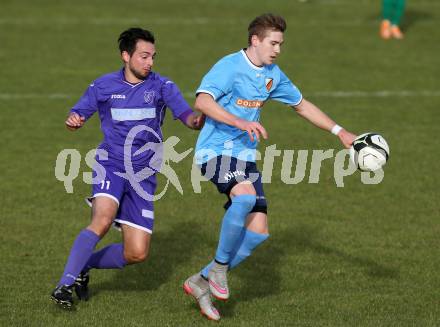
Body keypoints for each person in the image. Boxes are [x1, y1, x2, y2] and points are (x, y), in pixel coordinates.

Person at [183, 13, 357, 321]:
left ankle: (201, 280)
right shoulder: (229, 66)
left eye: (280, 44)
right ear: (255, 40)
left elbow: (301, 105)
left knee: (258, 232)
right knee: (245, 198)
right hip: (214, 151)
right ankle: (219, 270)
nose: (277, 50)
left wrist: (339, 132)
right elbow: (203, 101)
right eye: (273, 43)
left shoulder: (273, 75)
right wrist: (238, 121)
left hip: (245, 157)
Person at [51, 27, 204, 309]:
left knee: (136, 253)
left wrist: (200, 119)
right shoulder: (103, 86)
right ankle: (64, 284)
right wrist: (74, 119)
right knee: (102, 220)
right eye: (144, 56)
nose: (150, 63)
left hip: (143, 175)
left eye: (153, 57)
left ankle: (85, 266)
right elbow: (78, 114)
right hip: (110, 164)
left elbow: (186, 116)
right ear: (126, 56)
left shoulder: (162, 86)